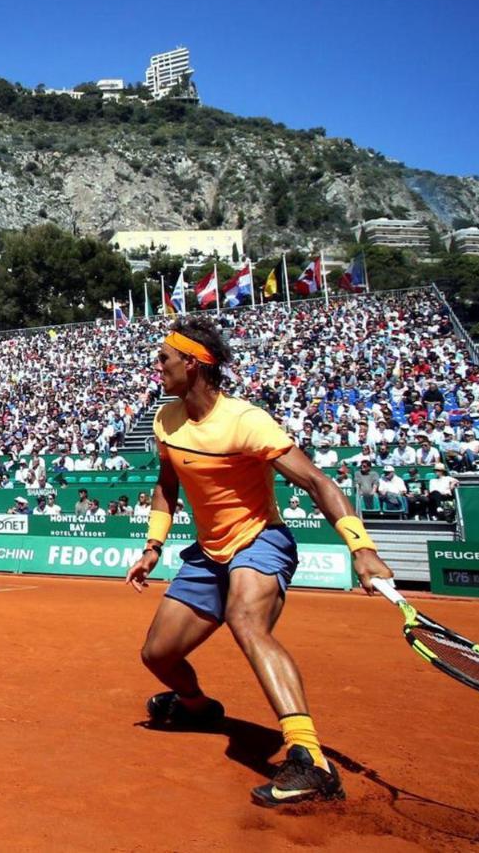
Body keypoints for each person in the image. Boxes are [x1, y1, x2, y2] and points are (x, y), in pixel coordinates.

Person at [124, 316, 392, 808]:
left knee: (245, 619)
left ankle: (310, 760)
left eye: (164, 356)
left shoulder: (247, 421)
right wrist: (152, 547)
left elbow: (317, 483)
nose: (156, 364)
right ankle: (198, 708)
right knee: (157, 656)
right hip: (207, 554)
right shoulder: (166, 420)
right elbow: (167, 485)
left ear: (194, 363)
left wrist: (362, 548)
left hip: (260, 540)